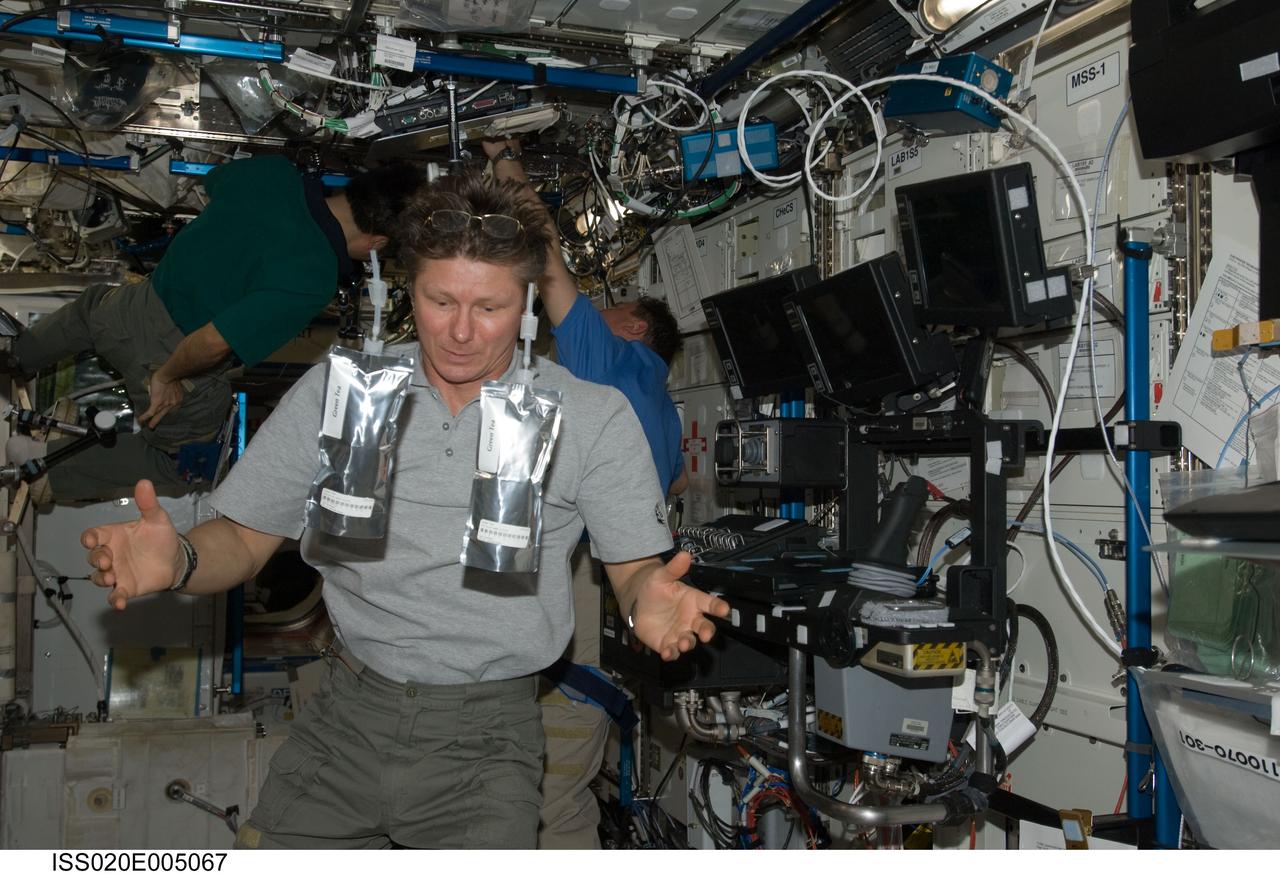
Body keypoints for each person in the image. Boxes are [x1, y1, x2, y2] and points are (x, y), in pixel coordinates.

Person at [79, 172, 729, 849]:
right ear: (403, 289)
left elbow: (631, 570)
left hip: (486, 741)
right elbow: (242, 539)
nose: (460, 333)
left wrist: (645, 594)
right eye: (439, 300)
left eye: (490, 308)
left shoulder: (590, 418)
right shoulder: (345, 393)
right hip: (343, 721)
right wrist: (181, 558)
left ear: (530, 305)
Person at [3, 155, 423, 503]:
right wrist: (169, 376)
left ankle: (14, 358)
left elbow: (215, 184)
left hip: (128, 309)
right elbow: (214, 340)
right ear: (377, 244)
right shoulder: (314, 276)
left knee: (88, 311)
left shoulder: (273, 173)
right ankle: (43, 467)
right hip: (169, 359)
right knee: (193, 463)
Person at [484, 137, 687, 849]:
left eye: (614, 307)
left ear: (635, 328)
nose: (596, 315)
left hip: (573, 590)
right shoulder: (665, 410)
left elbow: (546, 263)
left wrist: (507, 159)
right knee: (555, 787)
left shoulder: (617, 359)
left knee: (541, 796)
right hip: (602, 600)